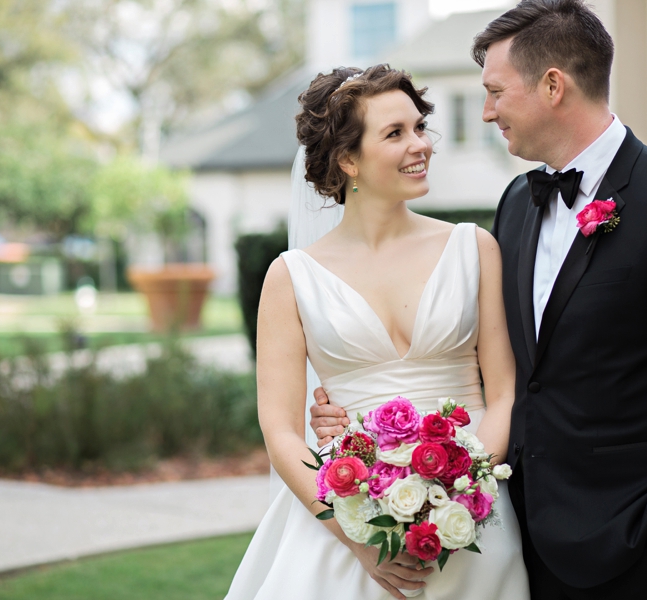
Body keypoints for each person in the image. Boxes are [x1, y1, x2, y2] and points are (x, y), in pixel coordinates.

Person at [310, 1, 647, 598]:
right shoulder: (518, 204)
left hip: (640, 549)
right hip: (520, 540)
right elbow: (495, 367)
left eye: (495, 92)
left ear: (553, 86)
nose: (488, 111)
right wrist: (356, 420)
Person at [223, 64, 530, 600]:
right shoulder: (291, 276)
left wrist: (462, 495)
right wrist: (358, 539)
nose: (421, 145)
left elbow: (503, 392)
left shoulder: (473, 248)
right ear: (347, 160)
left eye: (419, 127)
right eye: (395, 134)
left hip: (477, 518)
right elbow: (281, 432)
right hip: (348, 517)